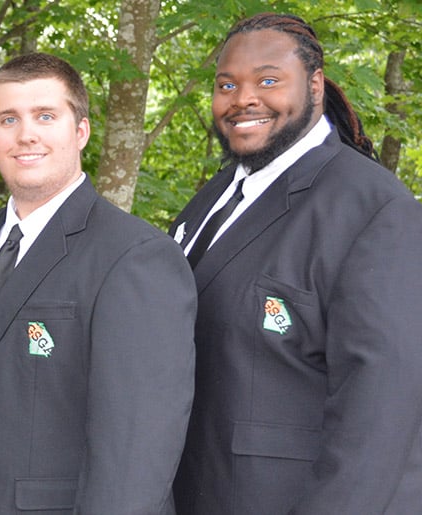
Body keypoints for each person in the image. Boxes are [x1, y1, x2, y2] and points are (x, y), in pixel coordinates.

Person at [171, 13, 422, 514]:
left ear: (314, 83)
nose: (243, 98)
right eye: (227, 84)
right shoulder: (211, 200)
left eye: (268, 80)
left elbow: (383, 409)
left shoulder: (373, 208)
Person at [0, 53, 196, 514]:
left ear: (81, 131)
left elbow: (138, 450)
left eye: (45, 116)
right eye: (8, 119)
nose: (26, 134)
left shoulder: (135, 256)